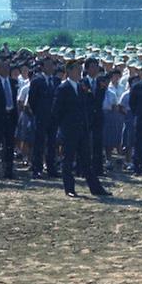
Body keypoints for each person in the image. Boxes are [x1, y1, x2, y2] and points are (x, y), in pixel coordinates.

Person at [52, 61, 109, 197]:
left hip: (82, 130)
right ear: (70, 71)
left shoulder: (81, 87)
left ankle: (96, 188)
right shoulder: (63, 88)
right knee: (68, 160)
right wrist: (62, 129)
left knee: (86, 161)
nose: (80, 72)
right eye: (77, 69)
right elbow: (56, 111)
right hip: (69, 130)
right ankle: (69, 188)